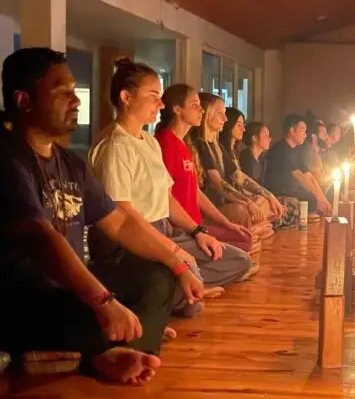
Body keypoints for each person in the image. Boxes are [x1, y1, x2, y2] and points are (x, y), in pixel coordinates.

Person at [0, 48, 204, 385]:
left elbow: (119, 222)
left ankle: (117, 349)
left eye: (74, 90)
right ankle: (105, 352)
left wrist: (178, 264)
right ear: (23, 100)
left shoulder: (70, 164)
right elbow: (41, 236)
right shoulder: (8, 158)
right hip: (24, 295)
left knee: (156, 278)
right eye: (62, 92)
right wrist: (104, 300)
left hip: (70, 290)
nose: (75, 100)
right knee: (88, 309)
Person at [89, 60, 253, 315]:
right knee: (192, 306)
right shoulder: (116, 145)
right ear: (126, 97)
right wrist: (173, 252)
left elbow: (167, 198)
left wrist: (198, 232)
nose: (161, 104)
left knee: (239, 261)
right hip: (132, 240)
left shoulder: (148, 142)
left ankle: (186, 285)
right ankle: (183, 288)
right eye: (154, 96)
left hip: (164, 229)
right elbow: (122, 215)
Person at [154, 84, 253, 252]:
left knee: (245, 239)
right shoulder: (165, 144)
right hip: (183, 229)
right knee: (242, 253)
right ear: (177, 109)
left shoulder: (184, 145)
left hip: (197, 226)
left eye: (201, 106)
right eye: (195, 106)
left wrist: (226, 223)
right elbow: (166, 198)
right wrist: (196, 230)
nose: (201, 110)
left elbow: (195, 192)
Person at [190, 93, 271, 234]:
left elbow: (238, 176)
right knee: (241, 210)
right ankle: (252, 232)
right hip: (210, 209)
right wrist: (248, 202)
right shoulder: (200, 144)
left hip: (223, 206)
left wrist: (269, 196)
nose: (225, 119)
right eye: (220, 113)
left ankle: (252, 232)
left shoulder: (217, 146)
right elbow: (219, 183)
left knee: (263, 202)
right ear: (207, 113)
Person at [221, 106, 285, 228]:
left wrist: (269, 197)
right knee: (262, 205)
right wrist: (253, 200)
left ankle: (261, 226)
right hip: (231, 201)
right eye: (239, 125)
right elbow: (238, 184)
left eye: (243, 125)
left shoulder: (235, 152)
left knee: (270, 204)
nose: (243, 129)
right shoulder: (245, 157)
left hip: (244, 198)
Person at [262, 113, 332, 215]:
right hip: (279, 192)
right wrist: (317, 198)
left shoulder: (297, 150)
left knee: (321, 196)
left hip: (292, 189)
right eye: (303, 129)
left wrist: (322, 197)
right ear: (292, 131)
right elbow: (299, 176)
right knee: (311, 199)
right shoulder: (281, 149)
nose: (305, 134)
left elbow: (308, 175)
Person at [240, 120, 300, 228]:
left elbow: (263, 186)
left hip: (263, 197)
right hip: (251, 199)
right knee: (272, 208)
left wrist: (274, 200)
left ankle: (272, 221)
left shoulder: (262, 160)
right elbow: (246, 187)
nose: (269, 138)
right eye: (265, 134)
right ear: (254, 138)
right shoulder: (246, 158)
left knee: (292, 204)